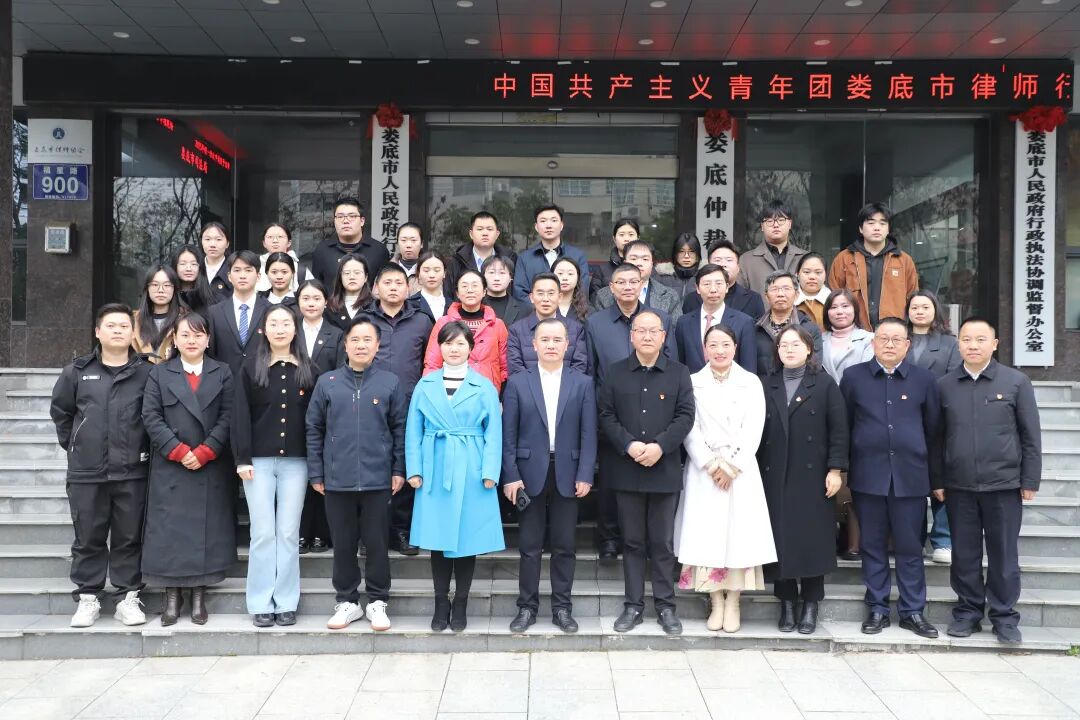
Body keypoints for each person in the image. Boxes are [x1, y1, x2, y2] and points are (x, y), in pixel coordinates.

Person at [937, 317, 1041, 645]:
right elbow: (936, 438)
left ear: (994, 344)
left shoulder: (1016, 382)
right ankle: (967, 613)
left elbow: (1030, 435)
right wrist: (937, 480)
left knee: (1004, 555)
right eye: (966, 339)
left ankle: (1004, 617)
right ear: (958, 344)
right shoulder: (944, 385)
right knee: (964, 555)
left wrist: (1030, 480)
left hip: (1004, 485)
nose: (973, 345)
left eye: (981, 339)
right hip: (959, 486)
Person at [50, 303, 153, 628]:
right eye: (111, 325)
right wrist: (77, 446)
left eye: (124, 326)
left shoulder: (146, 373)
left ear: (133, 333)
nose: (118, 331)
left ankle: (127, 598)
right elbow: (62, 413)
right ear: (98, 331)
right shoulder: (77, 371)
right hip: (87, 472)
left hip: (132, 471)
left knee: (129, 536)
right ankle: (88, 598)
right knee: (88, 537)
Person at [840, 317, 940, 639]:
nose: (890, 344)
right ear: (873, 342)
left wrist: (936, 478)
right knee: (872, 545)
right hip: (868, 476)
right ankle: (877, 608)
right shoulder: (853, 377)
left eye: (897, 339)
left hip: (911, 477)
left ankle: (913, 611)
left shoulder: (924, 380)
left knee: (911, 547)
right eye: (883, 338)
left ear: (907, 345)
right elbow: (844, 426)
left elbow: (934, 431)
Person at [306, 315, 407, 632]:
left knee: (377, 543)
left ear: (377, 346)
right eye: (355, 340)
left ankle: (377, 600)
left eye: (367, 340)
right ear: (345, 345)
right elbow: (313, 429)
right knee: (343, 543)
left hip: (378, 478)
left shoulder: (390, 382)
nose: (361, 345)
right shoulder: (327, 382)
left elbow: (400, 430)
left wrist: (399, 469)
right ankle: (347, 601)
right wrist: (316, 472)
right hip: (337, 478)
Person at [598, 310, 695, 635]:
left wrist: (660, 446)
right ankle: (633, 606)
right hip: (626, 469)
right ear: (632, 336)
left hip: (663, 469)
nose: (648, 336)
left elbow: (685, 416)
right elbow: (606, 415)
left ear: (664, 336)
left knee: (662, 543)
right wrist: (628, 444)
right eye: (641, 330)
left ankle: (666, 606)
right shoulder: (615, 372)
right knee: (633, 541)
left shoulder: (679, 373)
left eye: (654, 331)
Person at [675, 324, 775, 633]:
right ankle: (715, 600)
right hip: (705, 469)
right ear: (704, 350)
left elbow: (754, 427)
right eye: (713, 345)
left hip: (740, 469)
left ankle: (734, 601)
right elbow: (688, 427)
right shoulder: (692, 382)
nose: (719, 351)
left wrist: (732, 466)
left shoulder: (751, 382)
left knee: (738, 535)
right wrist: (710, 462)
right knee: (706, 534)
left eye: (725, 344)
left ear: (735, 347)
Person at [407, 321, 505, 632]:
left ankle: (460, 601)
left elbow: (494, 432)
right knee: (437, 537)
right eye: (448, 343)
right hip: (435, 463)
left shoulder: (483, 386)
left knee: (466, 539)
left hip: (471, 465)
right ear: (439, 347)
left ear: (470, 348)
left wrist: (490, 472)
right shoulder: (425, 385)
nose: (454, 349)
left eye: (460, 343)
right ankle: (441, 602)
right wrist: (414, 469)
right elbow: (413, 429)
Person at [501, 318, 597, 633]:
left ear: (567, 345)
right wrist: (511, 475)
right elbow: (508, 434)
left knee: (565, 545)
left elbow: (589, 433)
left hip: (568, 471)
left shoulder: (582, 383)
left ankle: (562, 608)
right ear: (534, 345)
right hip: (528, 473)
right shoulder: (518, 382)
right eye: (545, 340)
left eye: (557, 340)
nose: (551, 345)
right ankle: (526, 608)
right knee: (529, 546)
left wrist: (586, 473)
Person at [141, 313, 236, 626]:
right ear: (175, 339)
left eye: (198, 335)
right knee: (171, 530)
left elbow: (228, 416)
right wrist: (179, 451)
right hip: (172, 464)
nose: (192, 340)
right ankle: (172, 597)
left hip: (209, 463)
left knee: (204, 530)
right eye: (185, 335)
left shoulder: (222, 372)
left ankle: (198, 596)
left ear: (208, 340)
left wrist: (206, 451)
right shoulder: (159, 373)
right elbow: (151, 416)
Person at [759, 326, 849, 635]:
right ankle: (786, 602)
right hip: (774, 472)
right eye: (783, 345)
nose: (789, 349)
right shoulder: (765, 383)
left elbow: (839, 430)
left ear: (809, 348)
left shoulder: (824, 384)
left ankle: (811, 602)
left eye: (795, 344)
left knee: (813, 539)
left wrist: (835, 470)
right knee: (780, 538)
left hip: (813, 475)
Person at [232, 305, 315, 628]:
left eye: (286, 324)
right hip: (258, 462)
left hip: (297, 462)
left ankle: (286, 601)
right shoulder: (251, 367)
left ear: (295, 329)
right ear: (263, 330)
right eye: (274, 324)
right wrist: (241, 458)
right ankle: (260, 602)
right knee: (263, 533)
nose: (280, 329)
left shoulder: (309, 369)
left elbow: (315, 421)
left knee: (289, 533)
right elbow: (240, 415)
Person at [586, 264, 677, 559]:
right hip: (611, 412)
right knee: (611, 479)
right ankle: (609, 539)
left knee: (649, 480)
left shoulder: (658, 319)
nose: (627, 287)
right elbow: (590, 369)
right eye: (621, 282)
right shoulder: (596, 323)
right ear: (611, 288)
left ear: (642, 285)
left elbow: (671, 364)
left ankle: (647, 542)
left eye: (633, 281)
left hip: (655, 411)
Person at [368, 264, 435, 556]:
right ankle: (372, 533)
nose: (393, 287)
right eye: (387, 282)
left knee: (407, 465)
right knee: (373, 466)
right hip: (371, 405)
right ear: (376, 288)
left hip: (411, 404)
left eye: (399, 282)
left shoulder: (422, 321)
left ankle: (402, 530)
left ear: (409, 288)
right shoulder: (364, 319)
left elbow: (432, 361)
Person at [908, 288, 962, 565]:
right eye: (914, 307)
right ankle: (913, 539)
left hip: (939, 418)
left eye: (925, 307)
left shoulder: (950, 343)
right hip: (904, 419)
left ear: (935, 311)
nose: (919, 311)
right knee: (911, 484)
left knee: (941, 478)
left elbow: (953, 379)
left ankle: (942, 539)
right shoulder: (898, 338)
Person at [821, 288, 874, 562]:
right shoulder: (818, 339)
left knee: (854, 476)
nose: (839, 311)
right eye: (834, 306)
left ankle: (854, 540)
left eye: (845, 306)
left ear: (855, 310)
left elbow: (867, 377)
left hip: (857, 412)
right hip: (823, 413)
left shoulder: (868, 340)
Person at [295, 279, 342, 554]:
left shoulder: (336, 334)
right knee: (299, 473)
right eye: (306, 298)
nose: (311, 303)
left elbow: (340, 372)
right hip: (294, 407)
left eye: (316, 298)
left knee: (322, 471)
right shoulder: (290, 330)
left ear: (326, 302)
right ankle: (301, 532)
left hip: (326, 408)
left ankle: (322, 533)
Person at [828, 202, 919, 329]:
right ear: (861, 228)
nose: (877, 228)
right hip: (854, 331)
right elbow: (834, 295)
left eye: (882, 223)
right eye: (871, 223)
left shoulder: (904, 260)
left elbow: (913, 298)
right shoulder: (844, 258)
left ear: (888, 229)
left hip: (893, 331)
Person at [424, 270, 509, 391]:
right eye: (464, 286)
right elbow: (432, 363)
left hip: (488, 389)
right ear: (457, 293)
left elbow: (504, 366)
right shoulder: (443, 323)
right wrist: (430, 390)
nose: (470, 290)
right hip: (451, 389)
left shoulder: (497, 324)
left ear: (484, 291)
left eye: (475, 285)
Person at [673, 264, 756, 374]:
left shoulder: (744, 322)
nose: (713, 290)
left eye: (718, 284)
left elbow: (749, 368)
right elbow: (679, 364)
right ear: (697, 288)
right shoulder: (684, 322)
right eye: (707, 284)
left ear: (727, 287)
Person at [507, 273, 588, 376]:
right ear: (531, 297)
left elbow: (579, 367)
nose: (545, 299)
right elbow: (515, 368)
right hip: (528, 386)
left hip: (567, 386)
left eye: (551, 293)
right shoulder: (516, 330)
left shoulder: (576, 329)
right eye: (540, 293)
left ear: (559, 297)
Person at [207, 250, 270, 378]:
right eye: (237, 270)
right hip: (225, 381)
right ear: (229, 276)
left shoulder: (271, 310)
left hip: (262, 381)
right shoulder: (214, 312)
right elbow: (211, 353)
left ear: (258, 276)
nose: (242, 276)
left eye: (248, 270)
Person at [512, 204, 591, 302]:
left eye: (554, 220)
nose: (548, 225)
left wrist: (564, 308)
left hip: (570, 311)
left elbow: (582, 291)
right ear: (536, 227)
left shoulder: (577, 256)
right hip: (534, 311)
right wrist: (543, 308)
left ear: (561, 225)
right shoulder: (525, 258)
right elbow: (520, 294)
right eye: (543, 221)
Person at [309, 197, 390, 289]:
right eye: (340, 217)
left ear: (362, 221)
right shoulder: (322, 250)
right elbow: (316, 287)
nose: (346, 221)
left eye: (352, 216)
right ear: (334, 221)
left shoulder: (378, 250)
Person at [593, 240, 683, 320]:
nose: (639, 263)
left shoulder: (670, 296)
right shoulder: (603, 296)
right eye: (634, 258)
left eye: (645, 259)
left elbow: (674, 330)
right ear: (625, 263)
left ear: (652, 264)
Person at [754, 270, 822, 376]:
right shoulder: (754, 329)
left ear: (796, 295)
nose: (780, 294)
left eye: (786, 288)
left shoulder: (809, 329)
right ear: (766, 296)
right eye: (774, 289)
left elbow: (814, 368)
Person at [739, 200, 809, 301]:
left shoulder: (805, 258)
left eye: (781, 220)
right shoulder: (746, 261)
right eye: (769, 221)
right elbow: (740, 299)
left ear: (790, 224)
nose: (776, 225)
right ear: (762, 226)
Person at [682, 240, 765, 320]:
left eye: (729, 260)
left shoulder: (753, 299)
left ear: (738, 267)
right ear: (709, 265)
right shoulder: (692, 299)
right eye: (718, 260)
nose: (723, 264)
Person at [449, 211, 518, 288]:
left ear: (497, 234)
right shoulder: (457, 261)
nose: (485, 233)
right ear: (471, 234)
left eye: (489, 229)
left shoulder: (510, 258)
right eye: (480, 229)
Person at [132, 265, 182, 363]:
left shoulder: (185, 321)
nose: (160, 290)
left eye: (167, 285)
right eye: (155, 285)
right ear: (147, 288)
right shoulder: (132, 321)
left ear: (174, 289)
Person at [590, 217, 640, 300]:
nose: (626, 239)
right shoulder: (601, 271)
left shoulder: (646, 268)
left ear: (638, 238)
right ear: (614, 239)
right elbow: (595, 299)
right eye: (621, 235)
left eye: (631, 234)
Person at [255, 223, 311, 295]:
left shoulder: (300, 270)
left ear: (289, 243)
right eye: (270, 237)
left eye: (280, 237)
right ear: (264, 243)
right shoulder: (255, 267)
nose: (275, 241)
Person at [482, 255, 532, 328]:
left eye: (502, 273)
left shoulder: (524, 309)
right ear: (483, 276)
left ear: (510, 277)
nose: (496, 278)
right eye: (491, 272)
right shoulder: (475, 305)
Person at [325, 255, 372, 331]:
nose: (352, 277)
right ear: (340, 277)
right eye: (347, 273)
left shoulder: (375, 306)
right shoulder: (328, 307)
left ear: (366, 277)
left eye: (357, 273)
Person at [655, 232, 702, 300]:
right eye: (681, 251)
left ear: (697, 255)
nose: (686, 256)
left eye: (691, 252)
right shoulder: (661, 277)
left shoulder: (706, 277)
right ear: (675, 254)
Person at [172, 244, 215, 319]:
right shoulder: (169, 296)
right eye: (183, 264)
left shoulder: (211, 296)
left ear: (200, 267)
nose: (188, 268)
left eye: (194, 264)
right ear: (175, 267)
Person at [794, 252, 831, 331]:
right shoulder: (789, 300)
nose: (812, 277)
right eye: (806, 272)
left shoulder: (834, 301)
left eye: (818, 272)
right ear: (797, 274)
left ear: (825, 275)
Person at [412, 250, 450, 321]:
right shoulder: (409, 305)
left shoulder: (452, 305)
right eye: (426, 270)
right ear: (418, 273)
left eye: (437, 270)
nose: (431, 275)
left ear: (444, 273)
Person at [552, 256, 591, 324]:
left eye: (570, 274)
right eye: (560, 273)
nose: (565, 278)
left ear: (578, 278)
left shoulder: (589, 310)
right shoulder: (543, 305)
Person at [200, 221, 233, 301]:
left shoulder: (234, 269)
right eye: (207, 239)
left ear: (227, 243)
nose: (212, 244)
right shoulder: (195, 268)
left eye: (218, 239)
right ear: (201, 242)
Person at [391, 222, 424, 295]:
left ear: (421, 244)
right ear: (397, 243)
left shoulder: (429, 270)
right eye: (403, 240)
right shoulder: (387, 269)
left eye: (413, 240)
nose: (408, 245)